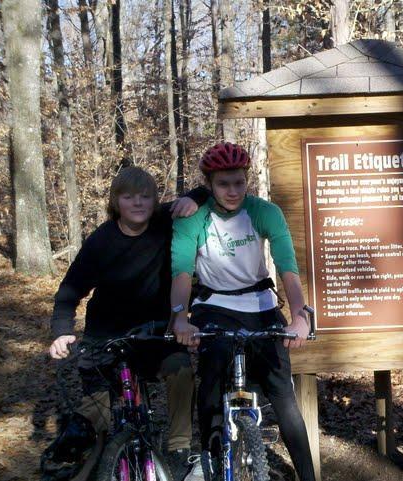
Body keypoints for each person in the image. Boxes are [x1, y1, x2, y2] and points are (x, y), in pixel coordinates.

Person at [44, 166, 207, 480]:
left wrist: (192, 199)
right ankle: (78, 458)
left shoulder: (163, 223)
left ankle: (178, 451)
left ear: (154, 200)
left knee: (181, 373)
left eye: (145, 196)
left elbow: (207, 191)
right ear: (116, 202)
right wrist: (62, 331)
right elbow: (70, 289)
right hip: (106, 337)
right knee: (96, 415)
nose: (138, 203)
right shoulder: (101, 241)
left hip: (156, 334)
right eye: (128, 196)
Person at [169, 142, 314, 481]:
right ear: (209, 184)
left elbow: (287, 267)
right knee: (212, 373)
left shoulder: (264, 211)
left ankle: (308, 476)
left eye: (238, 182)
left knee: (284, 396)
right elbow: (180, 272)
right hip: (214, 306)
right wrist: (179, 318)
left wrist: (299, 316)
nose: (232, 191)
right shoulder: (194, 217)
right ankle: (209, 458)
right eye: (223, 184)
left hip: (260, 305)